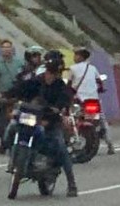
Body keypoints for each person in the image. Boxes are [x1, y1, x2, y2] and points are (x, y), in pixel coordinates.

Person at [9, 52, 78, 197]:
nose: (52, 75)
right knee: (13, 127)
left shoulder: (61, 86)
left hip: (51, 122)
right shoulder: (36, 81)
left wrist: (58, 108)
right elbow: (21, 89)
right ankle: (11, 154)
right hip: (32, 118)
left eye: (55, 73)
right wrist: (8, 96)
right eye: (50, 72)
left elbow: (65, 99)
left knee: (60, 147)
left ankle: (72, 184)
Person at [69, 47, 115, 155]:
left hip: (79, 100)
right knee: (102, 121)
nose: (74, 57)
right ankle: (110, 144)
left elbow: (69, 85)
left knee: (72, 118)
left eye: (76, 55)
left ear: (80, 56)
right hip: (93, 100)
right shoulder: (92, 68)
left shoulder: (73, 68)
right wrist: (99, 90)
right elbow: (100, 83)